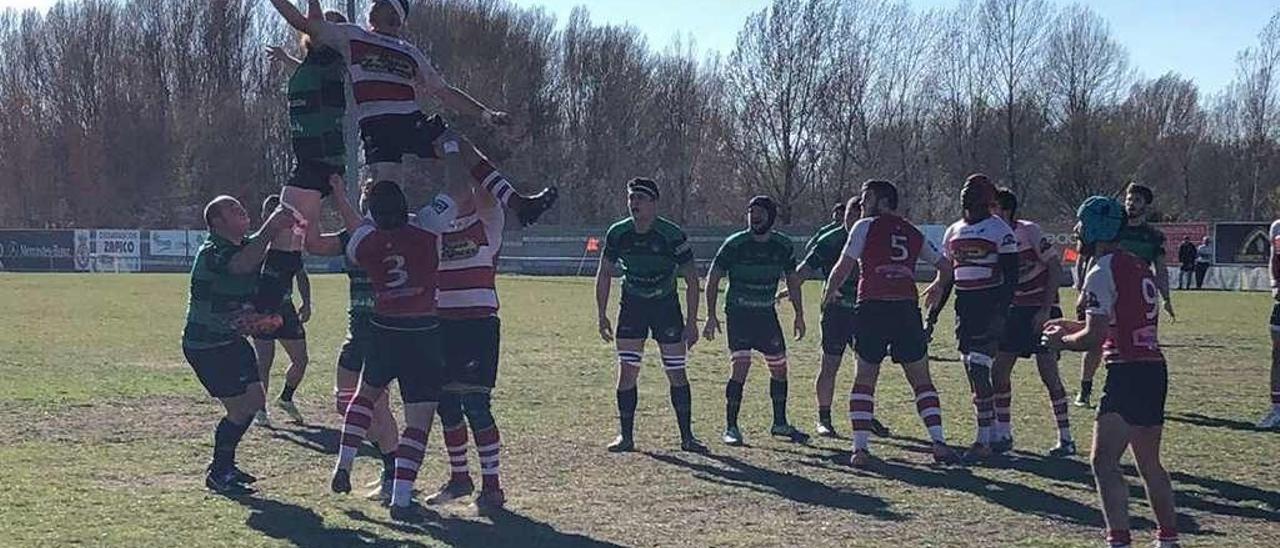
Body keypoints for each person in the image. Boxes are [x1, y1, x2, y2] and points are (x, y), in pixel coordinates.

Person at [264, 0, 557, 258]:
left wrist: (485, 113)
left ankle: (517, 202)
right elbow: (304, 23)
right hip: (377, 128)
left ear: (394, 15)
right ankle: (387, 254)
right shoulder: (352, 35)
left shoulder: (408, 50)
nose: (372, 5)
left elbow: (443, 91)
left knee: (460, 145)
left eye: (381, 3)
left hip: (409, 120)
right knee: (386, 194)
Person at [329, 136, 471, 522]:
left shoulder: (363, 241)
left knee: (364, 396)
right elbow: (460, 189)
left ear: (372, 213)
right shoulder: (427, 226)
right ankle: (402, 498)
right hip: (422, 330)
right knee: (419, 419)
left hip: (381, 327)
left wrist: (343, 196)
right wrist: (453, 153)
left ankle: (344, 462)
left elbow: (355, 227)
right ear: (405, 205)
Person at [1043, 196, 1179, 548]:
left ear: (1097, 229)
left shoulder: (1101, 270)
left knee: (1103, 461)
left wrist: (1061, 342)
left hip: (1126, 371)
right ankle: (1168, 539)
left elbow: (1096, 336)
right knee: (1150, 464)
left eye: (1081, 224)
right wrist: (1069, 326)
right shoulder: (1135, 264)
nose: (1077, 231)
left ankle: (1118, 539)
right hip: (1153, 368)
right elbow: (1119, 319)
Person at [825, 182, 962, 466]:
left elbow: (844, 265)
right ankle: (939, 443)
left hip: (873, 307)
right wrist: (937, 285)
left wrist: (829, 291)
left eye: (867, 198)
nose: (862, 204)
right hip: (905, 309)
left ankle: (860, 449)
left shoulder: (864, 226)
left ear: (883, 201)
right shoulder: (912, 230)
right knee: (921, 379)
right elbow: (947, 267)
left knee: (864, 378)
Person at [182, 195, 297, 494]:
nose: (240, 208)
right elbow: (241, 265)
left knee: (255, 400)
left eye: (239, 204)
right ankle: (219, 472)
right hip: (206, 345)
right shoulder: (213, 251)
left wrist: (260, 318)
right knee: (239, 409)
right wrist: (271, 228)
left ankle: (225, 467)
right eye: (231, 208)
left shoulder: (244, 244)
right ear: (218, 222)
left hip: (230, 341)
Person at [307, 176, 401, 502]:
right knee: (345, 403)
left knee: (378, 406)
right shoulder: (352, 235)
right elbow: (315, 245)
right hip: (355, 331)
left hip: (380, 331)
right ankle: (392, 462)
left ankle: (393, 472)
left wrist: (337, 195)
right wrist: (312, 205)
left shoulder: (392, 234)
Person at [596, 178, 706, 454]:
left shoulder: (672, 234)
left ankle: (687, 437)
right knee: (627, 371)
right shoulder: (618, 233)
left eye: (641, 199)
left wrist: (692, 322)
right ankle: (626, 437)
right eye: (631, 198)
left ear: (654, 204)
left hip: (665, 306)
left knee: (675, 371)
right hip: (632, 305)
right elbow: (604, 271)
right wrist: (601, 314)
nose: (634, 204)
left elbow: (692, 279)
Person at [424, 184, 512, 512]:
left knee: (476, 404)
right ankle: (460, 478)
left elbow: (483, 189)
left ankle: (492, 487)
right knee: (446, 404)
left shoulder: (487, 221)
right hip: (441, 324)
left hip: (477, 325)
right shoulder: (435, 224)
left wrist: (462, 158)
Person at [705, 196, 809, 446]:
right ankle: (731, 427)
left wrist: (799, 314)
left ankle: (780, 424)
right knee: (741, 366)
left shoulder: (782, 245)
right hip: (739, 313)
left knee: (779, 367)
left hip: (766, 314)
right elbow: (714, 276)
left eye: (760, 212)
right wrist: (710, 315)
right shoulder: (735, 244)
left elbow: (793, 280)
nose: (754, 216)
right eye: (751, 212)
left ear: (770, 217)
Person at [930, 173, 1019, 463]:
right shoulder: (953, 231)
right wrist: (932, 317)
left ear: (986, 199)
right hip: (964, 308)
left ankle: (983, 440)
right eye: (965, 191)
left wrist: (1001, 315)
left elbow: (1010, 277)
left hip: (989, 305)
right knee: (971, 369)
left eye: (974, 192)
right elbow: (949, 278)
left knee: (980, 369)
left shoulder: (999, 230)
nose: (966, 196)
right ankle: (994, 433)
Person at [794, 198, 890, 438]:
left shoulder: (875, 238)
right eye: (850, 215)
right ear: (843, 216)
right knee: (830, 365)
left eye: (860, 216)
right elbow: (801, 272)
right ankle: (823, 418)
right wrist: (795, 291)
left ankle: (864, 415)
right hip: (837, 312)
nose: (854, 221)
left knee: (867, 367)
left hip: (866, 311)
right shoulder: (830, 241)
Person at [990, 188, 1074, 457]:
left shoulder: (1029, 232)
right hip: (1014, 311)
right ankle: (1003, 434)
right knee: (999, 370)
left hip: (1039, 309)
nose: (990, 214)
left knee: (1049, 373)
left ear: (1007, 210)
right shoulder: (990, 235)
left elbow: (1055, 268)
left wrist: (1046, 310)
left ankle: (1066, 438)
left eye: (995, 208)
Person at [1075, 183, 1172, 407]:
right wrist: (1083, 289)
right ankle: (1085, 388)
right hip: (1106, 289)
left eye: (1137, 200)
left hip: (1134, 297)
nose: (1131, 203)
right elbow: (1093, 258)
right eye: (1129, 199)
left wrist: (1166, 297)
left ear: (1146, 205)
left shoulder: (1153, 236)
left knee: (1134, 341)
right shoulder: (1113, 226)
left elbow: (1161, 268)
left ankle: (1129, 390)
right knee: (1095, 338)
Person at [251, 195, 313, 427]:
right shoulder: (256, 246)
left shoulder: (291, 248)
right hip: (261, 310)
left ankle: (286, 398)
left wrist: (307, 302)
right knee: (265, 360)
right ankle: (260, 410)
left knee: (301, 359)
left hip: (285, 310)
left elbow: (301, 275)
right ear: (265, 217)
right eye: (273, 213)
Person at [1260, 221, 1280, 429]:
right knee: (1277, 354)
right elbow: (1274, 258)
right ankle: (1277, 409)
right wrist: (1274, 284)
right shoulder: (1278, 227)